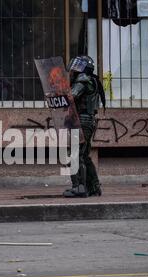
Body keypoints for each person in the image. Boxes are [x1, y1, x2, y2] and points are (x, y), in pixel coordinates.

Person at [63, 55, 106, 198]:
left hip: (81, 121)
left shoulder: (83, 79)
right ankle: (94, 187)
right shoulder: (92, 80)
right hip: (88, 121)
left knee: (75, 155)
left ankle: (79, 187)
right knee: (84, 156)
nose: (73, 69)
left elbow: (71, 96)